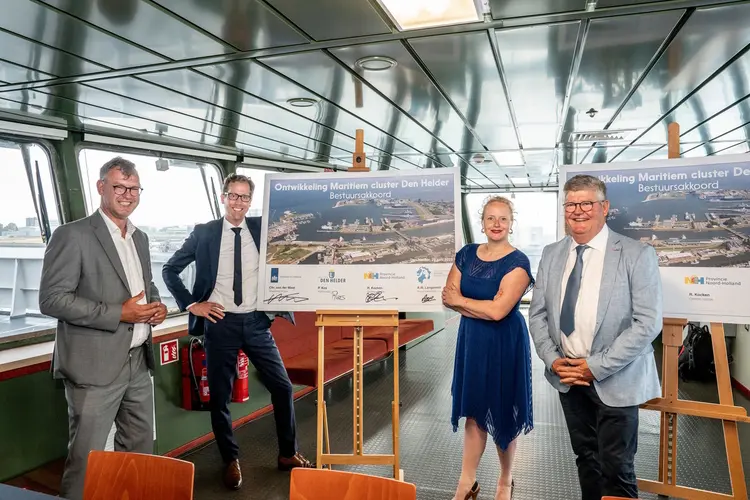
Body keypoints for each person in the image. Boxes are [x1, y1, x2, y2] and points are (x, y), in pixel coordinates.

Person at [162, 173, 313, 491]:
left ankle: (287, 454)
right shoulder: (204, 233)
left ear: (250, 201)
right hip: (220, 323)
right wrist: (192, 304)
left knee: (283, 388)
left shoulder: (262, 229)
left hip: (257, 323)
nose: (238, 202)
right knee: (219, 398)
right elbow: (169, 269)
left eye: (245, 197)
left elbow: (297, 229)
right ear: (223, 197)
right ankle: (230, 460)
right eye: (233, 195)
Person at [39, 157, 167, 500]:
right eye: (119, 187)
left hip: (138, 361)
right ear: (101, 188)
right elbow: (52, 300)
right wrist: (119, 314)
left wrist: (156, 307)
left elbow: (145, 287)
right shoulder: (72, 235)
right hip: (93, 366)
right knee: (88, 459)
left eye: (133, 188)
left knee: (140, 451)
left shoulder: (139, 238)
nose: (127, 195)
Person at [529, 174, 662, 500]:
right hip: (568, 377)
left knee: (617, 468)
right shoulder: (551, 253)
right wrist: (554, 360)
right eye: (571, 204)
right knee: (586, 459)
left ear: (604, 207)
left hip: (617, 379)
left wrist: (595, 366)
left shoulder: (636, 254)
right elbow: (538, 315)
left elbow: (647, 324)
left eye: (587, 203)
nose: (578, 211)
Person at [442, 196, 534, 500]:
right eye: (491, 218)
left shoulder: (518, 262)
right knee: (474, 412)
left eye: (503, 219)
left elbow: (498, 312)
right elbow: (448, 297)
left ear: (511, 223)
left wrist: (465, 304)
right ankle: (466, 483)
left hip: (505, 342)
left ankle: (505, 481)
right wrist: (481, 307)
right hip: (472, 340)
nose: (497, 224)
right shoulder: (466, 255)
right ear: (482, 222)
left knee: (504, 411)